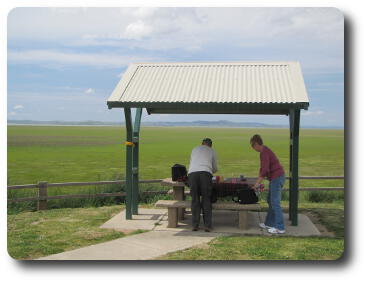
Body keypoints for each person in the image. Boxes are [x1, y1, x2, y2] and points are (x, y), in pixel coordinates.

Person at [250, 134, 286, 234]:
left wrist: (257, 184)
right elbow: (263, 168)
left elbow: (265, 170)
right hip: (275, 178)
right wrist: (258, 180)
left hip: (277, 178)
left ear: (256, 144)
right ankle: (269, 223)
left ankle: (280, 227)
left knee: (275, 202)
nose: (253, 148)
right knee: (270, 200)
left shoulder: (264, 152)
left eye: (253, 146)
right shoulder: (264, 151)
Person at [188, 138, 218, 232]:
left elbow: (192, 162)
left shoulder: (194, 149)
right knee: (206, 199)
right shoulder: (212, 150)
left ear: (201, 144)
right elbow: (215, 167)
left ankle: (194, 225)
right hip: (205, 174)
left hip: (192, 174)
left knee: (195, 199)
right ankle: (207, 226)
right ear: (210, 145)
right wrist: (210, 171)